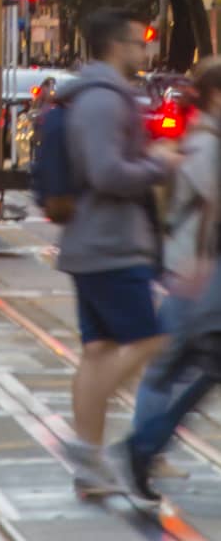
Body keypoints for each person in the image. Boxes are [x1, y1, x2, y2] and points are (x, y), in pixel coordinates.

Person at [58, 7, 179, 500]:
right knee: (150, 340)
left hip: (94, 242)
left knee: (99, 351)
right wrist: (157, 165)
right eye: (136, 42)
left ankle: (89, 464)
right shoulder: (104, 101)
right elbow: (106, 173)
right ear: (115, 46)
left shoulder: (91, 96)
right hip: (110, 245)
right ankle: (87, 451)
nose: (143, 51)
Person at [120, 60, 221, 499]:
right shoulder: (206, 144)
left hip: (197, 274)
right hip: (198, 275)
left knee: (187, 367)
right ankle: (141, 447)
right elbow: (210, 208)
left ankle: (143, 448)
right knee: (178, 368)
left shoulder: (204, 140)